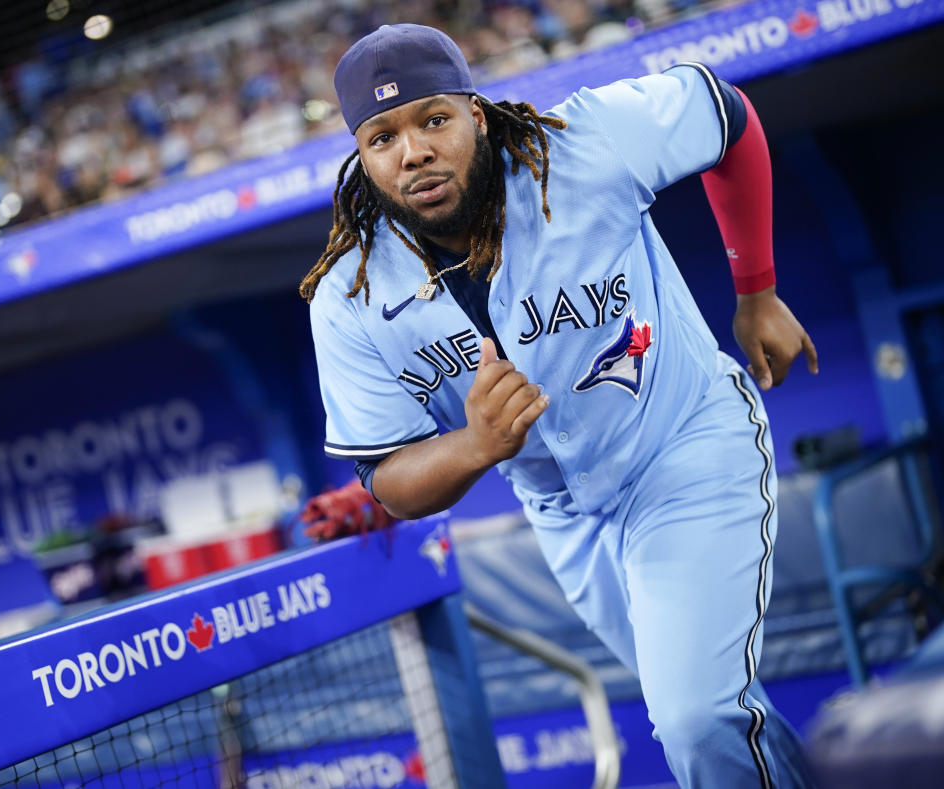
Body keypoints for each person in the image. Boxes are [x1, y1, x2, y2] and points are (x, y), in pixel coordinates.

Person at [301, 23, 817, 787]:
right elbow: (386, 477)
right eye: (382, 137)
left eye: (432, 119)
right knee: (718, 713)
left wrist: (759, 292)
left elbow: (727, 113)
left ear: (475, 114)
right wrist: (474, 446)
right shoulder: (348, 295)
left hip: (682, 446)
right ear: (363, 156)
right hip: (565, 513)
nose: (412, 151)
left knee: (696, 715)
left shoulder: (583, 144)